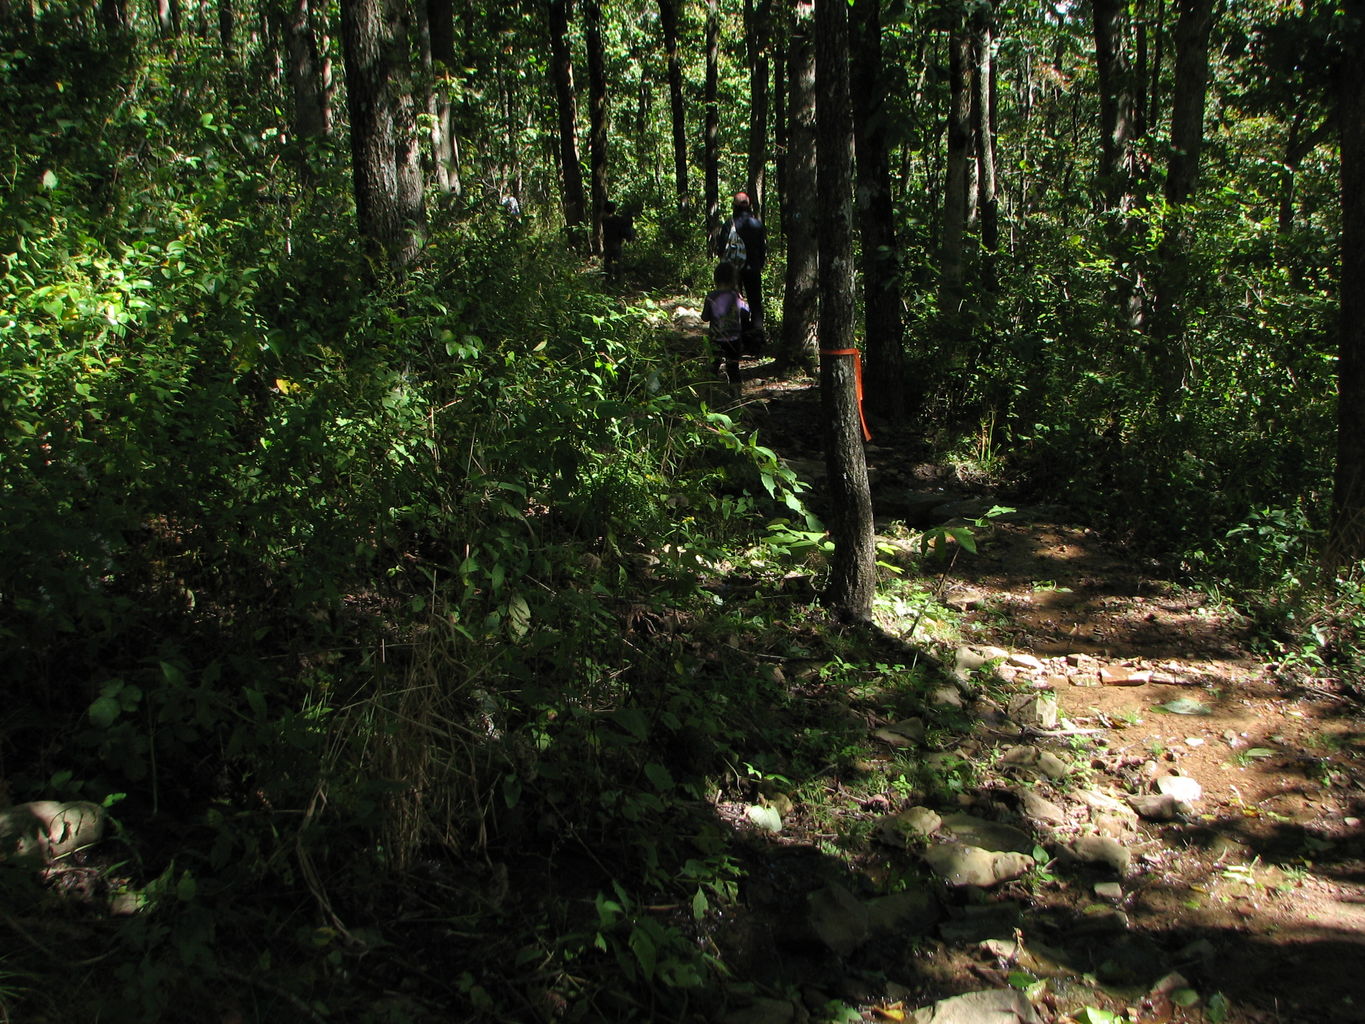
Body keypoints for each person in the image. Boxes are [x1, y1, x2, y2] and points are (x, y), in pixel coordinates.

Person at [714, 191, 767, 352]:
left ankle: (739, 338)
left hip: (733, 270)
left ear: (734, 206)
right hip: (753, 268)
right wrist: (759, 264)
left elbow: (721, 248)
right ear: (749, 205)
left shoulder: (729, 224)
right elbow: (763, 248)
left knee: (735, 303)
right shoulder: (758, 225)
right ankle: (757, 341)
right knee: (755, 302)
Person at [701, 262, 750, 387]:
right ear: (734, 279)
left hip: (716, 338)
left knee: (713, 367)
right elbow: (746, 313)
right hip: (734, 339)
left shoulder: (711, 296)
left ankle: (710, 395)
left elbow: (705, 318)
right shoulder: (736, 297)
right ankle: (736, 398)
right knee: (733, 368)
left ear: (716, 279)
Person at [601, 201, 636, 281]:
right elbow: (628, 223)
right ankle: (619, 281)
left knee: (608, 264)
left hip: (608, 244)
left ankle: (609, 281)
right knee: (618, 263)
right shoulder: (618, 219)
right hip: (617, 244)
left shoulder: (605, 220)